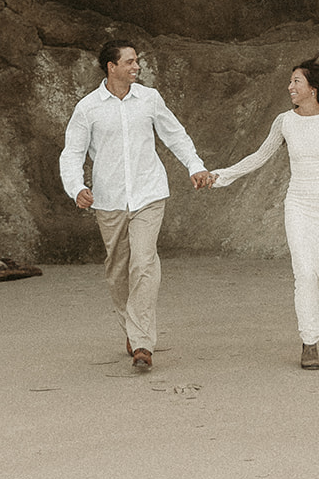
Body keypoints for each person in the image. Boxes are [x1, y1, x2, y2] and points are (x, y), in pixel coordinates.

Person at [209, 57, 319, 369]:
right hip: (298, 204)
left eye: (296, 81)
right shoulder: (284, 122)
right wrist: (221, 176)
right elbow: (258, 156)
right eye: (290, 82)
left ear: (313, 88)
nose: (290, 87)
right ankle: (309, 342)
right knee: (304, 274)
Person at [60, 39, 212, 371]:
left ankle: (142, 342)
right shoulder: (88, 108)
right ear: (111, 67)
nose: (136, 66)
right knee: (117, 271)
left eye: (136, 61)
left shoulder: (149, 99)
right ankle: (132, 326)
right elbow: (72, 153)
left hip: (149, 194)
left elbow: (175, 134)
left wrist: (195, 165)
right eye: (129, 61)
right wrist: (76, 188)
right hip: (109, 199)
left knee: (143, 264)